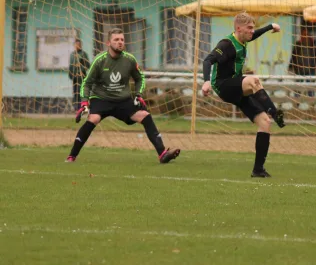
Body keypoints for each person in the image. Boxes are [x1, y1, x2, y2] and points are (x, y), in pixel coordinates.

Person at [66, 28, 180, 164]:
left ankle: (162, 154)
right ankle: (72, 156)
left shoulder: (129, 59)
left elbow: (140, 79)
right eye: (116, 40)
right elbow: (87, 83)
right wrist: (84, 103)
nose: (120, 42)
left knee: (145, 115)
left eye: (122, 39)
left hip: (122, 101)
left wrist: (138, 95)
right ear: (108, 43)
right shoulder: (99, 60)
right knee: (94, 118)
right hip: (101, 99)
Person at [202, 12, 285, 178]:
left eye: (253, 28)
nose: (252, 31)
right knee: (253, 80)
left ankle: (258, 169)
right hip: (223, 86)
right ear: (238, 29)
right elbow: (207, 60)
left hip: (237, 87)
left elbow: (255, 35)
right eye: (249, 28)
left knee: (264, 122)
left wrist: (270, 27)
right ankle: (275, 112)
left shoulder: (244, 38)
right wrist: (206, 81)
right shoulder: (226, 44)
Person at [288, 26, 316, 97]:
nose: (305, 35)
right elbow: (293, 56)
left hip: (311, 69)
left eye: (306, 34)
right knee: (298, 88)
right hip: (299, 69)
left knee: (310, 88)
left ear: (309, 35)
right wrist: (290, 66)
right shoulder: (298, 44)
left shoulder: (314, 44)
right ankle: (296, 103)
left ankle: (311, 104)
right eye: (303, 34)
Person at [68, 38, 90, 111]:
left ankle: (83, 107)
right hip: (75, 77)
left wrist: (81, 68)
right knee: (75, 92)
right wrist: (70, 75)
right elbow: (70, 66)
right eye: (76, 44)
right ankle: (76, 107)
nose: (77, 46)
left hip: (82, 77)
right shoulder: (72, 54)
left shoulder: (83, 54)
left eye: (79, 44)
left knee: (82, 92)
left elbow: (88, 65)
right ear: (74, 45)